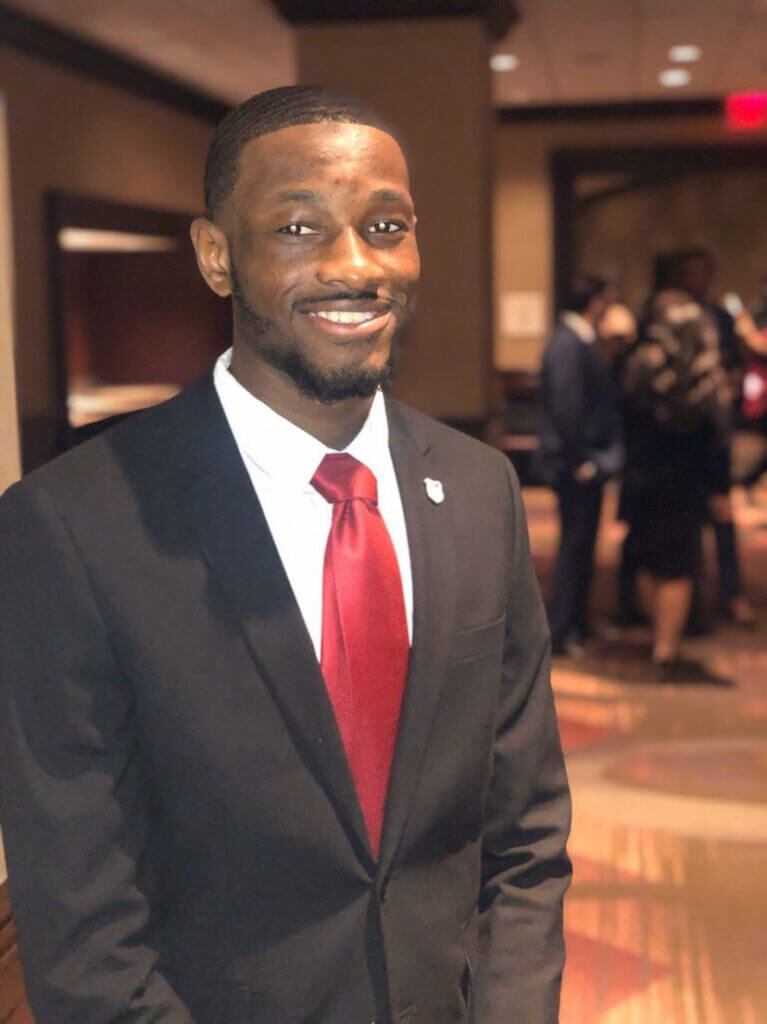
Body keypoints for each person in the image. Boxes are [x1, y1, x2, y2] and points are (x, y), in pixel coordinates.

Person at [0, 86, 571, 1024]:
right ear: (216, 256)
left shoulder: (480, 492)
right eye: (299, 228)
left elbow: (525, 834)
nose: (357, 266)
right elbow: (81, 927)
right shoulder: (72, 526)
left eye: (385, 226)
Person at [619, 290, 728, 681]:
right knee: (677, 568)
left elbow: (624, 415)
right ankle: (664, 649)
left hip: (644, 479)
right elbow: (716, 436)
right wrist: (720, 487)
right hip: (683, 482)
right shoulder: (704, 373)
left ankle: (659, 638)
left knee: (648, 562)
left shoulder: (639, 365)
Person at [661, 248, 755, 627]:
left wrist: (725, 388)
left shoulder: (719, 317)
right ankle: (689, 603)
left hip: (712, 432)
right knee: (681, 522)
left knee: (722, 514)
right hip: (678, 437)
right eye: (689, 273)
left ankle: (731, 593)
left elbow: (736, 365)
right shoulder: (668, 317)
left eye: (701, 272)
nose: (695, 280)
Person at [537, 275, 624, 657]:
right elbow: (567, 408)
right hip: (577, 463)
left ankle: (576, 623)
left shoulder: (577, 340)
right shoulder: (569, 343)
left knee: (583, 544)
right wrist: (580, 459)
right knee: (574, 546)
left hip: (582, 459)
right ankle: (562, 629)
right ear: (596, 301)